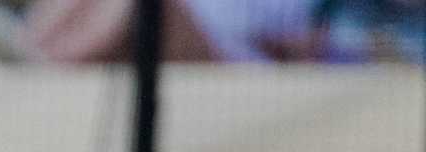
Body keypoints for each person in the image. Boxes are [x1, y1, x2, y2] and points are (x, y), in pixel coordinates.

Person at [22, 0, 325, 61]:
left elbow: (301, 39)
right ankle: (38, 44)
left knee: (139, 9)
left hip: (226, 55)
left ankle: (40, 49)